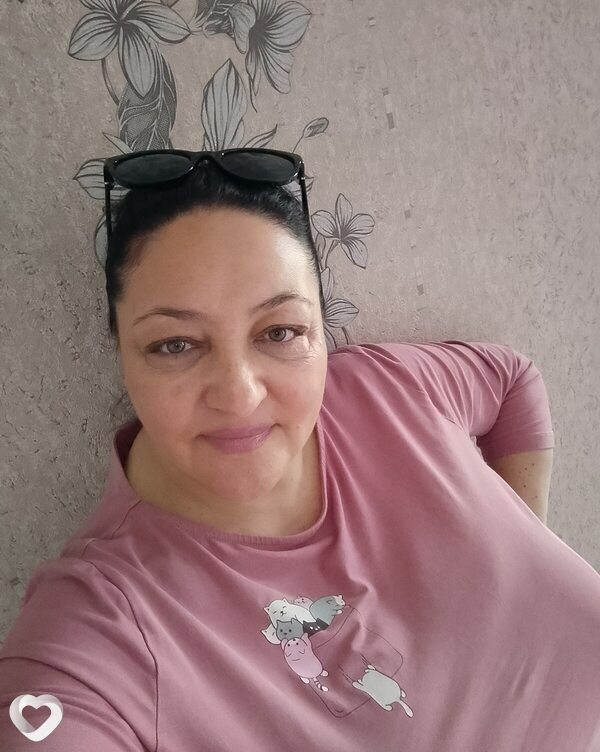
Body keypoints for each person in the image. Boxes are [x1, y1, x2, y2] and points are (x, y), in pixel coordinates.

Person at [1, 149, 599, 752]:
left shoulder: (387, 386)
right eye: (176, 344)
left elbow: (512, 379)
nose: (239, 395)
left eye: (280, 332)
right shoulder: (101, 622)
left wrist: (520, 548)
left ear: (319, 326)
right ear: (121, 350)